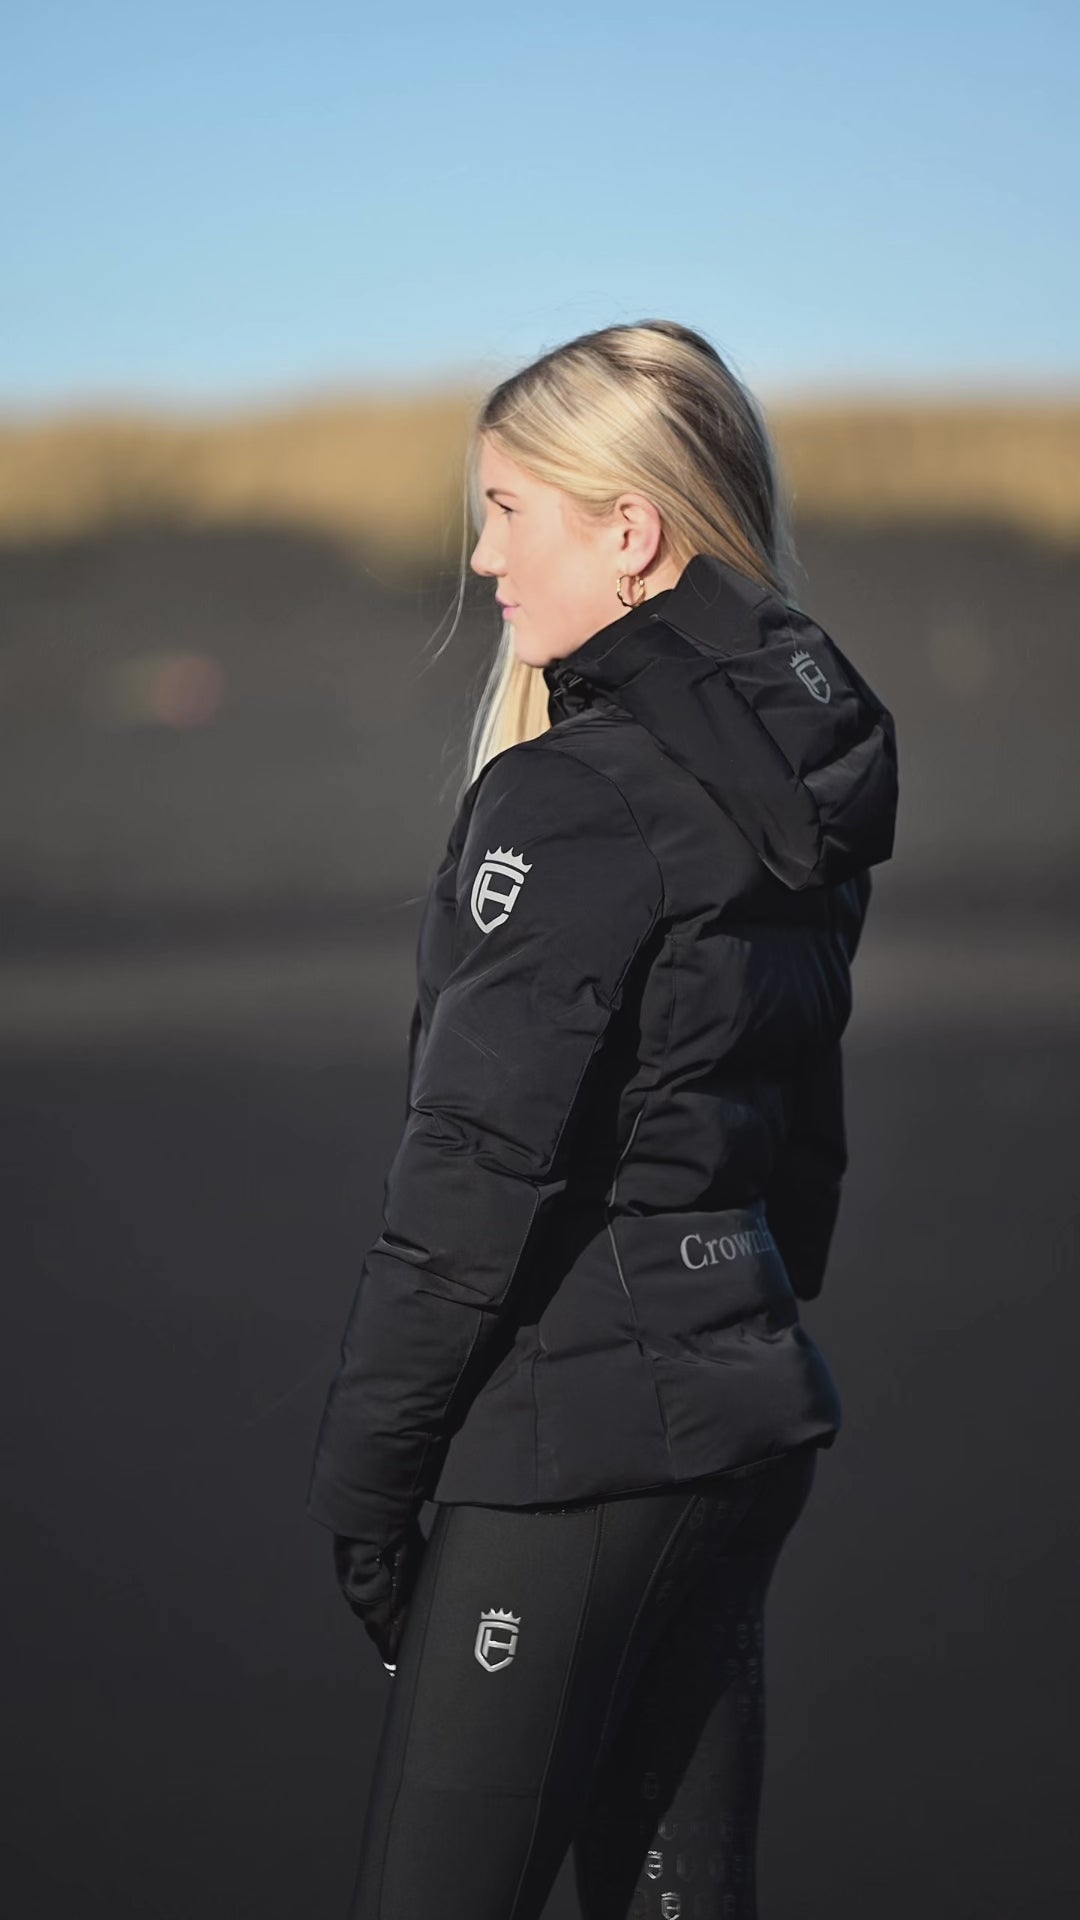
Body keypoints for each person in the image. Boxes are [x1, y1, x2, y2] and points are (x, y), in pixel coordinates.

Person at [305, 319, 899, 1920]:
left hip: (568, 1454)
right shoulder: (789, 785)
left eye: (508, 508)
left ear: (629, 530)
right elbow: (799, 1129)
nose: (483, 555)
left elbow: (468, 1179)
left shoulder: (574, 796)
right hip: (738, 1417)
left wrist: (365, 1491)